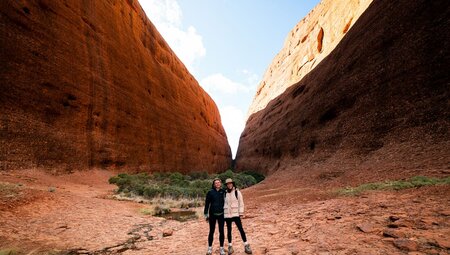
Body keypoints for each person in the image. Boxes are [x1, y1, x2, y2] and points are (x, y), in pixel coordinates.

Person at [224, 178, 252, 254]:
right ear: (226, 185)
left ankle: (246, 245)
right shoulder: (224, 193)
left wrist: (241, 213)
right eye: (228, 184)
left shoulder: (237, 192)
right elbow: (223, 204)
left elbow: (241, 203)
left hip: (236, 214)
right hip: (227, 215)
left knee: (241, 229)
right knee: (229, 231)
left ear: (232, 184)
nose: (229, 185)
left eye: (230, 183)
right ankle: (230, 246)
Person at [204, 178, 226, 255]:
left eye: (218, 183)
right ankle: (210, 248)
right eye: (216, 183)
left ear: (220, 184)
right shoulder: (210, 192)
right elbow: (207, 204)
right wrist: (206, 214)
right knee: (211, 231)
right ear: (214, 184)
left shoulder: (223, 192)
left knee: (221, 231)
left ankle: (221, 249)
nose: (217, 184)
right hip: (212, 215)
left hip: (221, 215)